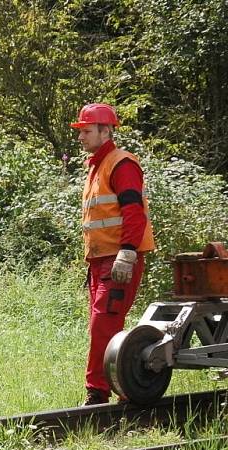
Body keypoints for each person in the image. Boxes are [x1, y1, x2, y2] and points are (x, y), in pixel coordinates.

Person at [70, 103, 156, 405]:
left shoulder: (122, 164)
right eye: (80, 130)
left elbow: (134, 212)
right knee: (103, 323)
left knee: (103, 322)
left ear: (106, 131)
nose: (81, 136)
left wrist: (128, 253)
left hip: (118, 259)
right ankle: (115, 389)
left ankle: (97, 393)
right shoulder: (96, 166)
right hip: (101, 262)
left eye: (87, 130)